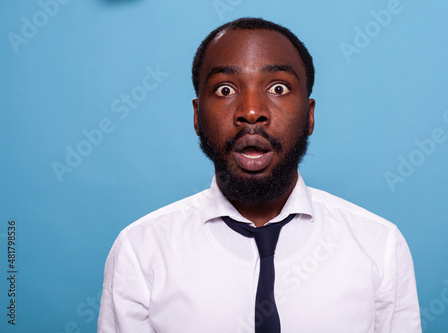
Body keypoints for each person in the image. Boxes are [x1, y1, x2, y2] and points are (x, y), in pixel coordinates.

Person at [97, 17, 421, 332]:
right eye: (225, 89)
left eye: (278, 87)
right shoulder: (140, 251)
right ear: (197, 116)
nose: (251, 111)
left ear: (309, 116)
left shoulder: (379, 246)